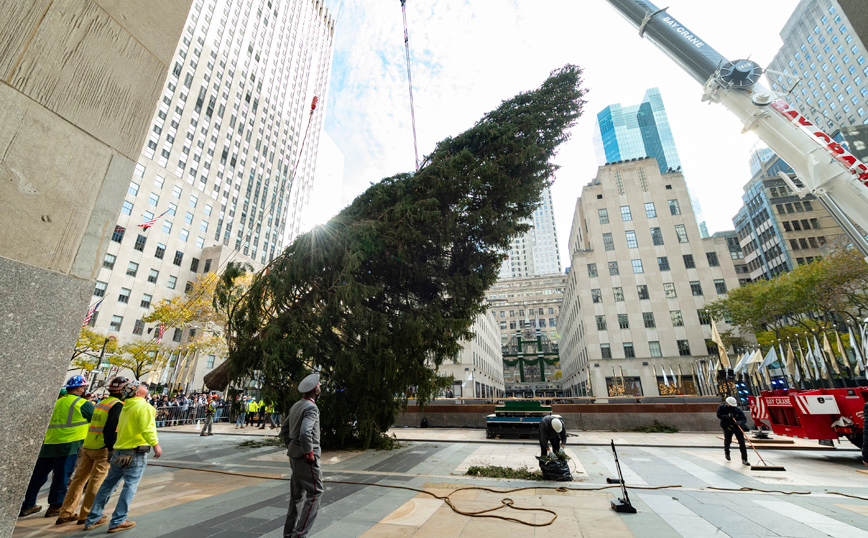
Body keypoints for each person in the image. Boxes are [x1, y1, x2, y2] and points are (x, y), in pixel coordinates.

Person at [83, 380, 162, 533]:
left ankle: (93, 517)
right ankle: (118, 520)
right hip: (135, 452)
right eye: (141, 386)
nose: (144, 386)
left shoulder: (126, 406)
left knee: (108, 484)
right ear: (137, 393)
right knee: (130, 485)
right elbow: (147, 429)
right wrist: (156, 445)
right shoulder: (143, 406)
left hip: (119, 451)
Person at [19, 375, 95, 518]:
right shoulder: (83, 404)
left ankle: (27, 505)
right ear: (79, 388)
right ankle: (55, 506)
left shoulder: (57, 402)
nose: (84, 389)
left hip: (49, 443)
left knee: (38, 477)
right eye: (84, 387)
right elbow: (96, 421)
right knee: (61, 477)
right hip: (68, 445)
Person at [55, 376, 127, 525]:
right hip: (102, 448)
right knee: (96, 482)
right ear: (122, 390)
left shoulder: (103, 402)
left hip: (88, 445)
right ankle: (87, 515)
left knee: (78, 481)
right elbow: (110, 429)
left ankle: (66, 512)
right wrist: (112, 449)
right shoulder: (117, 405)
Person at [281, 374, 323, 538]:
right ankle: (299, 535)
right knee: (316, 492)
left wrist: (289, 444)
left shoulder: (297, 405)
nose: (320, 387)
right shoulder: (311, 407)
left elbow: (284, 429)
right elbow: (306, 432)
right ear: (315, 389)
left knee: (296, 497)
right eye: (319, 385)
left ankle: (289, 534)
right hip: (305, 458)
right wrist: (309, 453)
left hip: (294, 455)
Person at [717, 396, 750, 466]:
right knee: (728, 440)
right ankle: (727, 452)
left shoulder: (737, 410)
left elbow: (744, 419)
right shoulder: (721, 408)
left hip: (737, 427)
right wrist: (727, 416)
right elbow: (719, 415)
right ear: (727, 403)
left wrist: (740, 422)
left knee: (742, 443)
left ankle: (744, 459)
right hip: (727, 427)